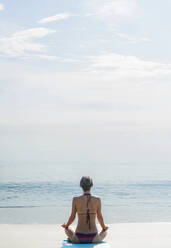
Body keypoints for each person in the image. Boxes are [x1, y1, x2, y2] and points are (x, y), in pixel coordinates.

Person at [61, 176, 108, 243]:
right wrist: (104, 228)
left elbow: (72, 217)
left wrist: (66, 226)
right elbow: (99, 217)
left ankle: (71, 238)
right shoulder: (97, 200)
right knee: (105, 232)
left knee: (67, 229)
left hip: (78, 238)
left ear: (80, 185)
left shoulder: (75, 200)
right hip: (94, 238)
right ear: (92, 185)